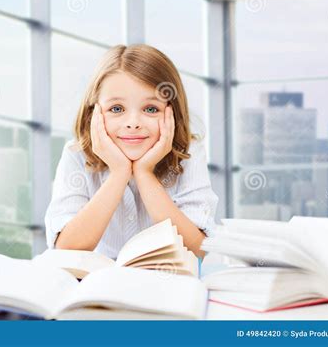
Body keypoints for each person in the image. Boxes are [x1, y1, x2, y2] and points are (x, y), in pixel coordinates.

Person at [45, 44, 219, 259]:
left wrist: (144, 174)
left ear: (172, 113)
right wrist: (119, 173)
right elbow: (66, 248)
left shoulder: (189, 153)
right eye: (116, 109)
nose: (133, 123)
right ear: (94, 114)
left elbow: (198, 248)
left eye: (150, 109)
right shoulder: (77, 153)